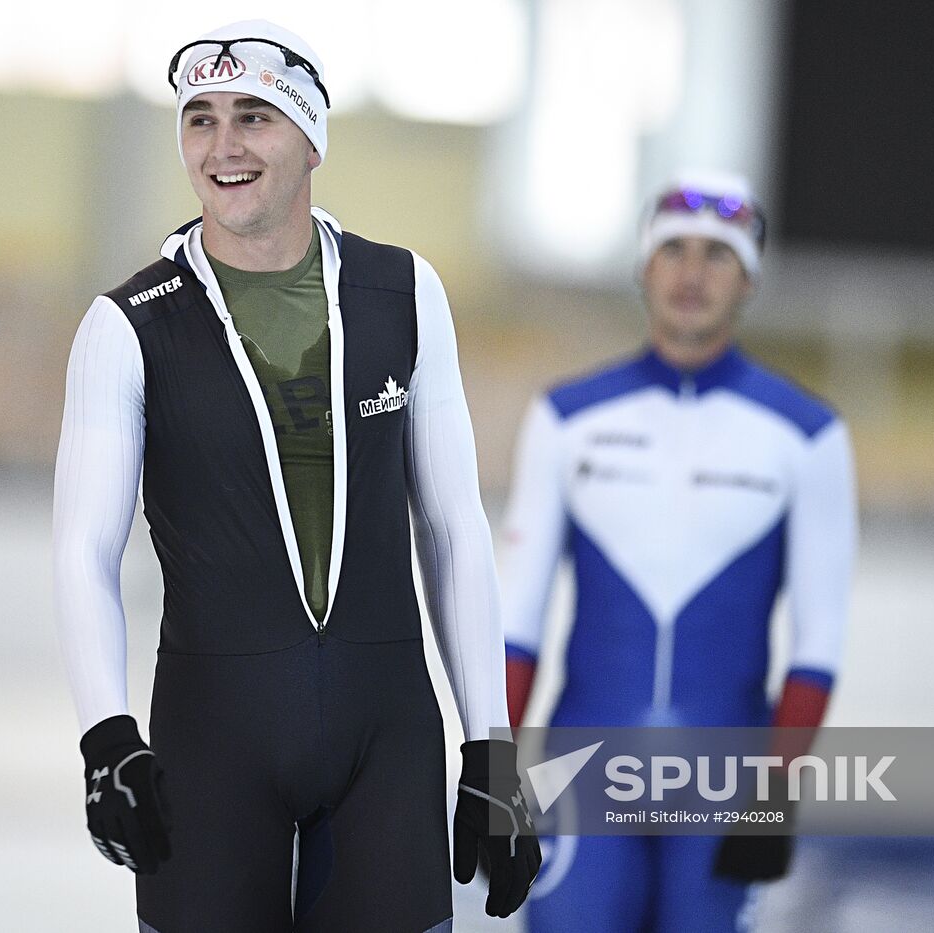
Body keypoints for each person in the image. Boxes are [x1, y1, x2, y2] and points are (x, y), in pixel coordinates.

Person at [51, 20, 539, 933]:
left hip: (384, 741)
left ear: (312, 137)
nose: (223, 146)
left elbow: (450, 526)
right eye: (199, 119)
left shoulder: (403, 292)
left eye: (253, 117)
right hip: (212, 744)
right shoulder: (125, 327)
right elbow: (83, 549)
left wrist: (492, 744)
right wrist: (106, 737)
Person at [500, 170, 857, 931]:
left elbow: (819, 641)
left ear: (750, 279)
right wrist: (493, 770)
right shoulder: (565, 418)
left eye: (717, 256)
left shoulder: (809, 435)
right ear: (643, 267)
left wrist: (777, 792)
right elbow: (516, 621)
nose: (692, 274)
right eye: (673, 251)